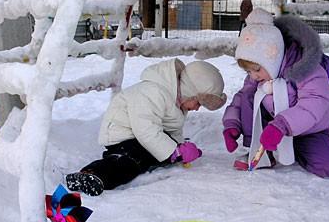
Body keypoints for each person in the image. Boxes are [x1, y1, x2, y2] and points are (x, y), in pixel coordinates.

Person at [66, 58, 227, 196]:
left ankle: (133, 160)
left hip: (141, 137)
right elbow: (146, 130)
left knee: (152, 154)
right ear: (189, 91)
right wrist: (173, 151)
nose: (197, 108)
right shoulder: (151, 92)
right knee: (134, 161)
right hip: (122, 135)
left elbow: (173, 129)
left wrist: (180, 149)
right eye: (198, 102)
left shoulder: (178, 102)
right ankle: (92, 174)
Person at [222, 8, 329, 178]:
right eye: (248, 72)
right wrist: (232, 124)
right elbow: (241, 99)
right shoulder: (260, 76)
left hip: (308, 132)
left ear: (271, 59)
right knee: (249, 96)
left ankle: (295, 149)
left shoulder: (307, 69)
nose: (253, 76)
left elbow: (313, 103)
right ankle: (259, 150)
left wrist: (282, 126)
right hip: (270, 130)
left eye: (256, 69)